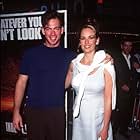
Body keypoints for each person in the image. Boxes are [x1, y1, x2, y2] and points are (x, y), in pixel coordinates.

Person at [12, 10, 77, 140]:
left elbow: (90, 60)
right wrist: (16, 111)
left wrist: (107, 57)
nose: (52, 33)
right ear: (43, 30)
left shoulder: (71, 56)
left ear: (62, 30)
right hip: (34, 112)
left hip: (57, 113)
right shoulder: (30, 54)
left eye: (56, 28)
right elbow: (21, 83)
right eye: (48, 29)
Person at [65, 20, 116, 140]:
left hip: (98, 120)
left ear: (97, 40)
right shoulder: (74, 64)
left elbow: (108, 100)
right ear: (79, 42)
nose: (87, 42)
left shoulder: (106, 64)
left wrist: (105, 128)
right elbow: (63, 84)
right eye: (83, 38)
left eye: (91, 37)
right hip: (79, 120)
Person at [112, 37, 136, 138]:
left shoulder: (133, 58)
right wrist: (121, 84)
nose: (128, 48)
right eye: (126, 45)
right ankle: (112, 132)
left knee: (127, 111)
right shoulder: (117, 57)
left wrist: (138, 69)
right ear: (122, 46)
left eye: (130, 46)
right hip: (120, 89)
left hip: (131, 90)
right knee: (118, 111)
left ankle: (123, 130)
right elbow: (115, 72)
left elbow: (134, 74)